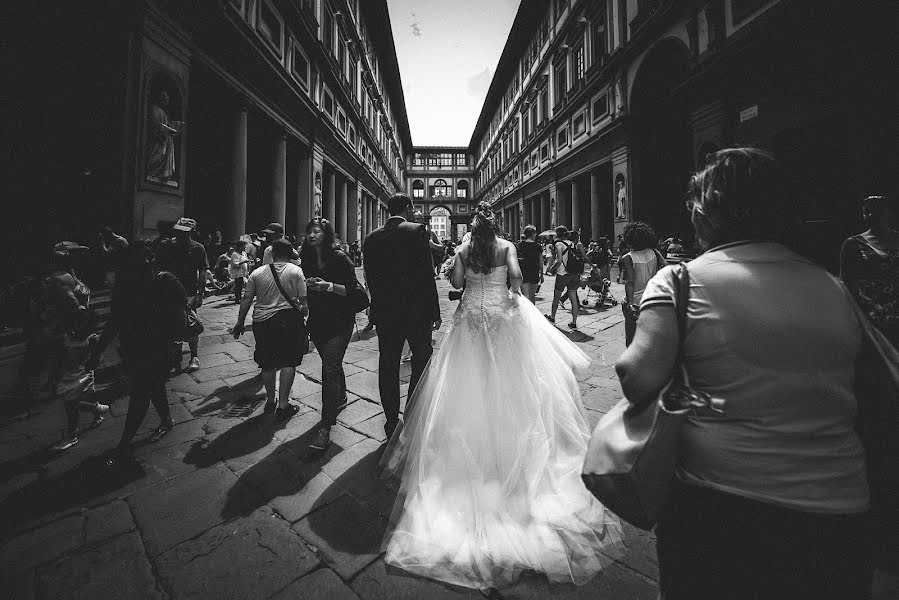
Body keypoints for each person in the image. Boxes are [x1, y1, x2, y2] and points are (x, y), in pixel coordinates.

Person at [616, 148, 876, 599]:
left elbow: (637, 377)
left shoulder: (681, 281)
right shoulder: (833, 287)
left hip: (720, 505)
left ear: (704, 212)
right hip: (839, 509)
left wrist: (701, 393)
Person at [379, 200, 622, 590]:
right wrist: (508, 291)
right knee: (511, 385)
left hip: (471, 321)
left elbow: (456, 285)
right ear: (496, 226)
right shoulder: (507, 246)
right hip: (500, 320)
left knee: (465, 386)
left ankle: (471, 452)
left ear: (473, 227)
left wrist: (468, 272)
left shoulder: (463, 248)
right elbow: (516, 278)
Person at [89, 242, 187, 467]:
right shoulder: (126, 286)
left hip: (158, 348)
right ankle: (166, 419)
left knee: (141, 392)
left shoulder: (166, 282)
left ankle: (124, 444)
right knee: (152, 386)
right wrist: (99, 350)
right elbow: (114, 320)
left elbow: (181, 318)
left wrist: (174, 345)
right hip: (134, 347)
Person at [363, 194, 440, 439]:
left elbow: (370, 278)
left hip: (386, 312)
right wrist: (434, 311)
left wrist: (375, 310)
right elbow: (426, 275)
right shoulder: (417, 230)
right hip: (416, 312)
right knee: (421, 359)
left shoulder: (372, 237)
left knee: (388, 364)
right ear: (408, 208)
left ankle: (389, 420)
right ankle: (411, 411)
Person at [300, 218, 361, 451]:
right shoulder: (305, 258)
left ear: (326, 235)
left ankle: (325, 426)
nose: (312, 236)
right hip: (317, 321)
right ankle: (342, 396)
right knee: (330, 363)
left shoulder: (339, 258)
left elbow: (354, 291)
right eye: (309, 232)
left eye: (316, 232)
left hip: (341, 320)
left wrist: (328, 286)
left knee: (329, 369)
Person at [232, 239, 307, 421]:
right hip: (288, 319)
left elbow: (247, 299)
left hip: (262, 321)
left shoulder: (257, 273)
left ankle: (271, 400)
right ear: (290, 254)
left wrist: (240, 322)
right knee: (289, 360)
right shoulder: (296, 271)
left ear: (272, 254)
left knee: (267, 362)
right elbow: (304, 303)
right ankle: (283, 405)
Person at [840, 195, 899, 347]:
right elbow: (846, 282)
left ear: (888, 213)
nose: (870, 216)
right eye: (866, 212)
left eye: (877, 211)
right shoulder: (853, 244)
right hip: (872, 315)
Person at [52, 308, 109, 451]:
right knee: (73, 404)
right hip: (67, 376)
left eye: (83, 323)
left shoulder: (91, 339)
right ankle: (98, 410)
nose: (79, 326)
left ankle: (72, 436)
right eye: (78, 322)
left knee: (70, 405)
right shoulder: (68, 336)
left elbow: (99, 357)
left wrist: (91, 364)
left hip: (82, 376)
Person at [157, 217, 210, 372]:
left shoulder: (198, 248)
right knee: (171, 325)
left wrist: (200, 293)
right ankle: (175, 358)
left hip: (189, 292)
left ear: (192, 232)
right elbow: (158, 268)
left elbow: (202, 272)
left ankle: (194, 356)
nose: (180, 234)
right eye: (178, 231)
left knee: (191, 323)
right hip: (168, 292)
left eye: (184, 232)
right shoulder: (166, 246)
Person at [618, 222, 666, 346]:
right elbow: (667, 268)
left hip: (636, 302)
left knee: (632, 339)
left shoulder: (627, 258)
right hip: (652, 299)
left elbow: (630, 282)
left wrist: (629, 304)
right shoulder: (654, 252)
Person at [546, 226, 588, 329]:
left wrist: (552, 268)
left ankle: (552, 317)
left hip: (563, 274)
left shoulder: (559, 244)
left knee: (556, 297)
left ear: (557, 234)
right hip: (574, 274)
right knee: (573, 298)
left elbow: (559, 260)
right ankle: (573, 322)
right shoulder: (573, 244)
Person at [517, 224, 543, 303]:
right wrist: (541, 275)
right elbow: (541, 263)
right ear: (532, 234)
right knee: (532, 296)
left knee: (524, 296)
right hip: (534, 272)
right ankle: (532, 314)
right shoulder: (538, 246)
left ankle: (525, 314)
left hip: (523, 273)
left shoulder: (519, 246)